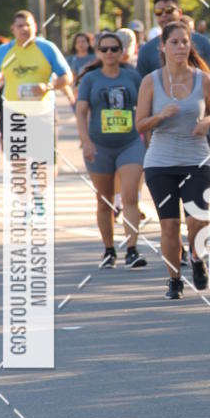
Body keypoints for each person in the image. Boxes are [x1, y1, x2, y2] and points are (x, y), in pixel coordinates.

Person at [136, 20, 210, 298]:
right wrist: (160, 117)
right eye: (175, 42)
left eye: (185, 42)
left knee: (198, 221)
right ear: (163, 46)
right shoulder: (151, 81)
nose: (181, 47)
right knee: (169, 225)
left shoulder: (203, 79)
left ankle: (197, 258)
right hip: (160, 162)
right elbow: (140, 125)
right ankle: (174, 279)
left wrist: (206, 122)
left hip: (196, 159)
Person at [75, 31, 147, 268]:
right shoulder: (91, 79)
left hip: (130, 144)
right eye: (104, 49)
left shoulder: (132, 76)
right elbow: (81, 111)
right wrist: (86, 141)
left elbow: (145, 106)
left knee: (129, 197)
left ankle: (132, 249)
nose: (109, 53)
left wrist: (147, 133)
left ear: (122, 52)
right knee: (104, 201)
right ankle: (108, 250)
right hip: (100, 146)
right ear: (98, 52)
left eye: (114, 49)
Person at [136, 0, 210, 109]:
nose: (164, 15)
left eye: (169, 10)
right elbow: (141, 90)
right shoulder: (147, 50)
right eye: (158, 12)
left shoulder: (201, 42)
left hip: (199, 117)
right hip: (163, 120)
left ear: (180, 13)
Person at [0, 10, 73, 109]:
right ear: (12, 29)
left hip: (42, 111)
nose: (25, 29)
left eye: (28, 25)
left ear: (35, 27)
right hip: (14, 113)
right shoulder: (4, 51)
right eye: (20, 26)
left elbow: (67, 76)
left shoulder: (47, 48)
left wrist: (47, 86)